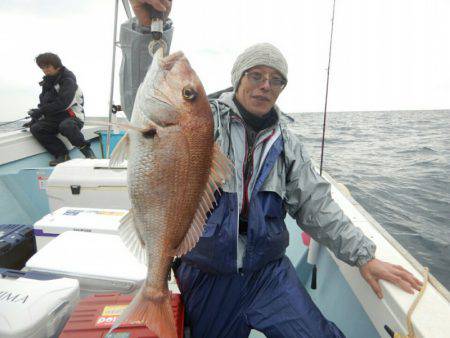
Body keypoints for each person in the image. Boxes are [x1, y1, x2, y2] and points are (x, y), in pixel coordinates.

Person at [127, 3, 422, 338]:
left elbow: (316, 205)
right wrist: (145, 28)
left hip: (268, 273)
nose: (265, 85)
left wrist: (364, 256)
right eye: (256, 75)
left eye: (276, 79)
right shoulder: (201, 122)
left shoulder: (288, 145)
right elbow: (144, 97)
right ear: (238, 78)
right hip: (208, 272)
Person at [24, 52, 96, 166]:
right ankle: (62, 155)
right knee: (36, 128)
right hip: (55, 118)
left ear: (56, 65)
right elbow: (44, 103)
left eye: (47, 66)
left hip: (72, 116)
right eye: (42, 67)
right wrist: (35, 118)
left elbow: (63, 103)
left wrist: (41, 111)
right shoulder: (47, 82)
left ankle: (87, 152)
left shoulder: (68, 80)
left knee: (66, 126)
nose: (44, 70)